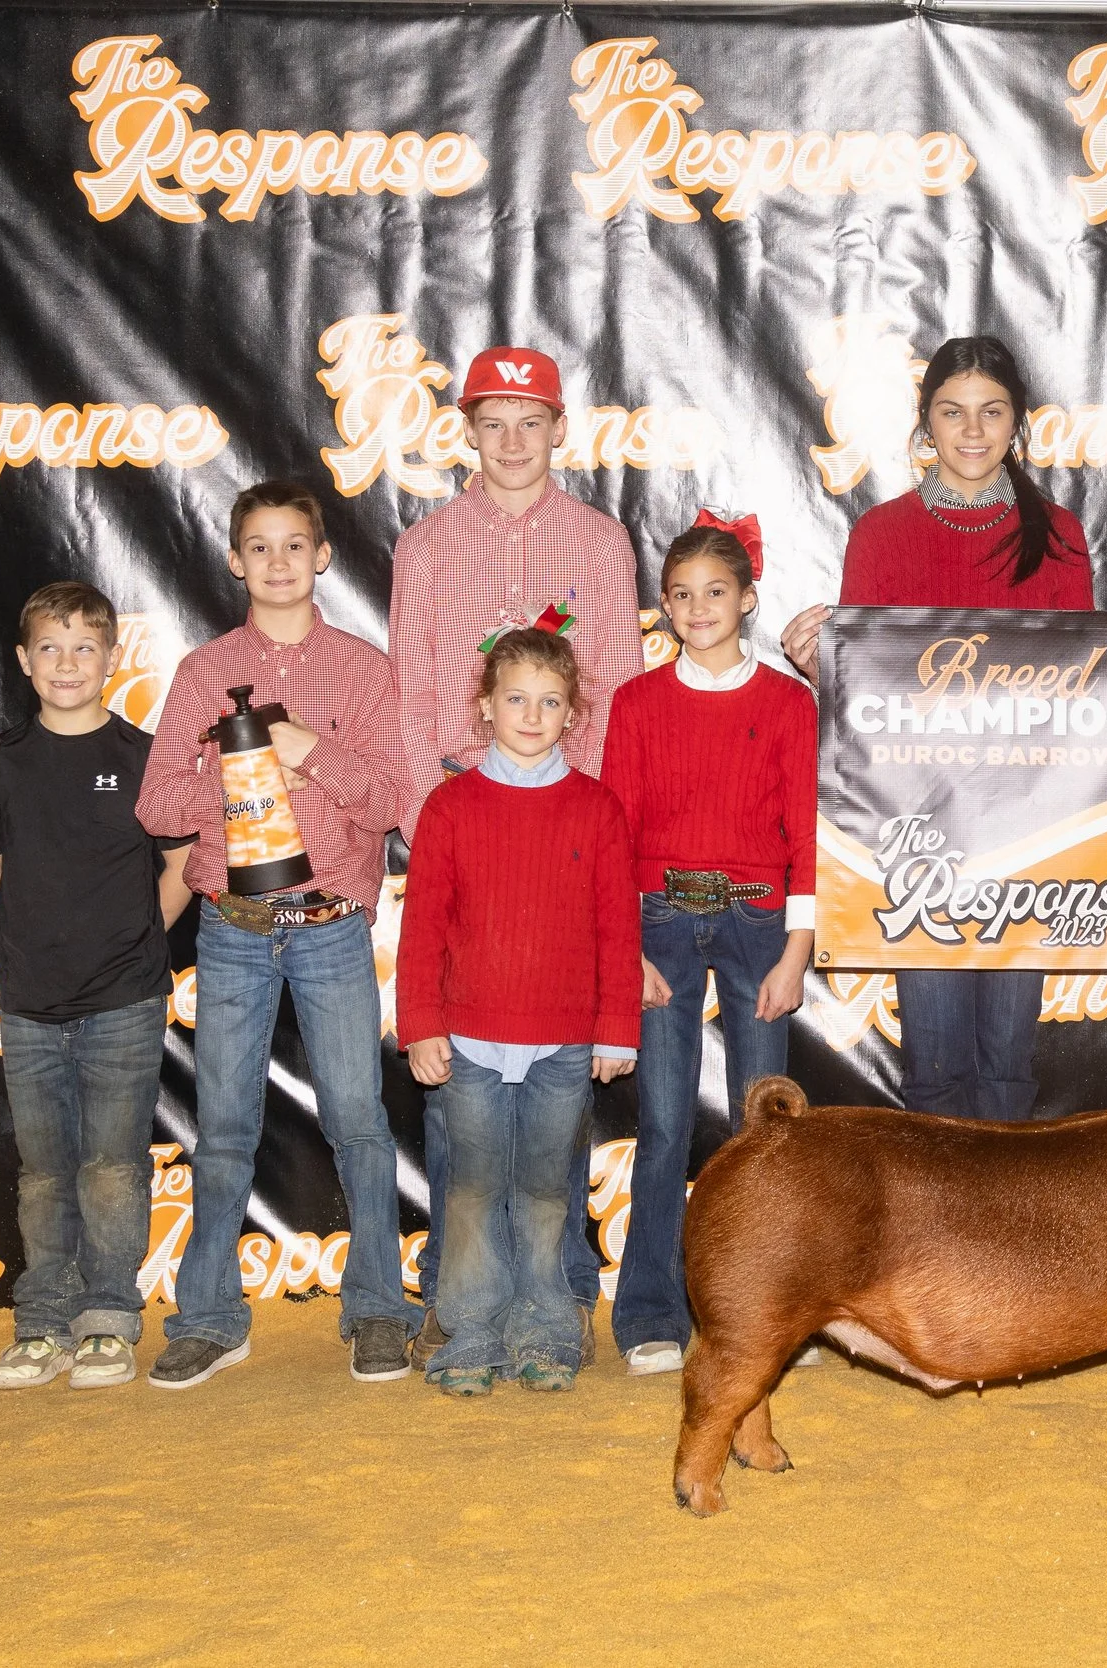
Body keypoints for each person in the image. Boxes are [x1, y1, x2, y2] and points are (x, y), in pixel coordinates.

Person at [136, 479, 423, 1388]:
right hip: (233, 926)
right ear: (233, 561)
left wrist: (305, 751)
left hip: (331, 924)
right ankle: (211, 1316)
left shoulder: (366, 672)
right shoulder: (200, 672)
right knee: (222, 1128)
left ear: (323, 556)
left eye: (294, 545)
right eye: (258, 547)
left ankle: (379, 1309)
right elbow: (156, 804)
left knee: (360, 1125)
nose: (278, 563)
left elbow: (391, 803)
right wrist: (237, 781)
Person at [387, 345, 645, 1359]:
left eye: (528, 421)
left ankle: (555, 1305)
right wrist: (431, 814)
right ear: (467, 431)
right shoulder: (428, 547)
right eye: (491, 421)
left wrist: (600, 829)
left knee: (549, 1105)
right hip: (465, 813)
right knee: (465, 1104)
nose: (510, 441)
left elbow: (617, 686)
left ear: (557, 430)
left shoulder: (598, 541)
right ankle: (465, 1307)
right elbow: (414, 690)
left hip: (568, 827)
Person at [780, 335, 1096, 1123]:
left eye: (992, 412)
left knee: (1009, 1068)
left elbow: (1086, 688)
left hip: (1029, 834)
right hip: (915, 835)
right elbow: (864, 698)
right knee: (936, 1067)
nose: (973, 430)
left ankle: (1002, 1245)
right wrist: (820, 663)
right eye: (953, 413)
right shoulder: (882, 534)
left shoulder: (1058, 535)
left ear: (1018, 422)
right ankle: (937, 1248)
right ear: (927, 425)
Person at [0, 582, 194, 1391]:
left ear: (112, 659)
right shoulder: (0, 762)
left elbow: (181, 864)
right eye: (50, 649)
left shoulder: (141, 757)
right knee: (45, 1171)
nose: (68, 663)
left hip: (125, 1001)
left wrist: (133, 936)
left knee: (113, 1167)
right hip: (29, 1001)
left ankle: (107, 1321)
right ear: (25, 662)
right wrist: (34, 929)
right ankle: (42, 1324)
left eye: (84, 647)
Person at [396, 629, 639, 1396]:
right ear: (484, 706)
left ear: (572, 714)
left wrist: (616, 1027)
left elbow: (616, 927)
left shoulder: (596, 809)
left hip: (564, 1042)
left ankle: (544, 1327)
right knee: (470, 1188)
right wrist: (421, 1023)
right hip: (467, 1037)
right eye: (515, 699)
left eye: (550, 701)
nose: (531, 715)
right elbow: (424, 924)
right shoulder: (450, 806)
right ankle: (470, 1329)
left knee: (544, 1190)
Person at [599, 522, 817, 1375]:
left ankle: (768, 1311)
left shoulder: (789, 704)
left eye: (716, 592)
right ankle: (651, 1309)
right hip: (657, 919)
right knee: (660, 1122)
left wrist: (796, 948)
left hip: (760, 921)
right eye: (681, 594)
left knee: (767, 1128)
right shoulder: (636, 703)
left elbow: (803, 830)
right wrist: (624, 944)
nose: (699, 608)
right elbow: (614, 829)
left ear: (748, 598)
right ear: (664, 605)